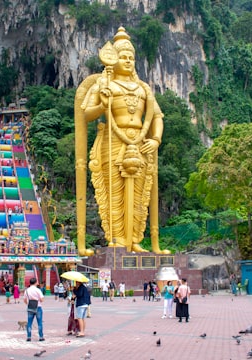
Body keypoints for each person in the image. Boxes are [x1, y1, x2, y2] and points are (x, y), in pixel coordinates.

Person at [75, 26, 168, 256]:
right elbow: (85, 114)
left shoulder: (143, 88)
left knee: (139, 195)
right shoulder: (104, 85)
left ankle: (136, 240)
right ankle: (116, 239)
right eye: (123, 57)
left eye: (131, 58)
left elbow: (156, 116)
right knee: (113, 193)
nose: (127, 61)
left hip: (141, 142)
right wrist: (102, 105)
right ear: (113, 59)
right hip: (113, 142)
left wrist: (155, 139)